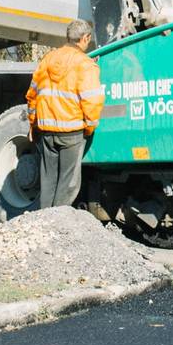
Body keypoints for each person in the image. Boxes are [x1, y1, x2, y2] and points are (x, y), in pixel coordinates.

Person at [27, 19, 104, 209]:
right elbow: (92, 100)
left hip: (46, 132)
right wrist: (90, 126)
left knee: (48, 181)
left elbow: (32, 95)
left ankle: (44, 222)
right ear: (85, 38)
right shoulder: (85, 65)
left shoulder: (48, 60)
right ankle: (59, 225)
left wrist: (33, 124)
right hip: (72, 132)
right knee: (68, 184)